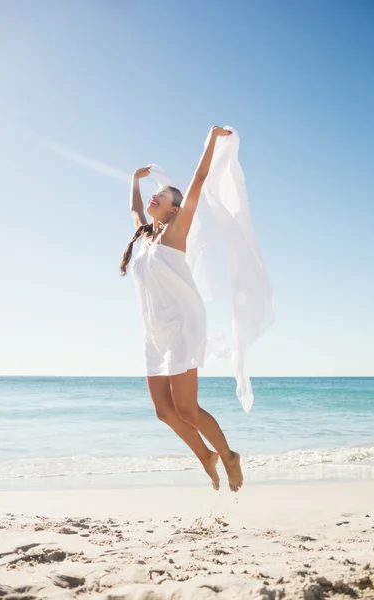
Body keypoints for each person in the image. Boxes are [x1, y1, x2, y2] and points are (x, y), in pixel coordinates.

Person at [120, 126, 243, 492]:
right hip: (154, 333)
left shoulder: (176, 233)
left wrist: (211, 141)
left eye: (163, 195)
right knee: (164, 412)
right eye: (155, 194)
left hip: (181, 328)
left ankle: (227, 455)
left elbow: (200, 178)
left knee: (187, 408)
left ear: (176, 209)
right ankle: (205, 457)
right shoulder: (145, 238)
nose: (155, 197)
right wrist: (135, 180)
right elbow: (132, 208)